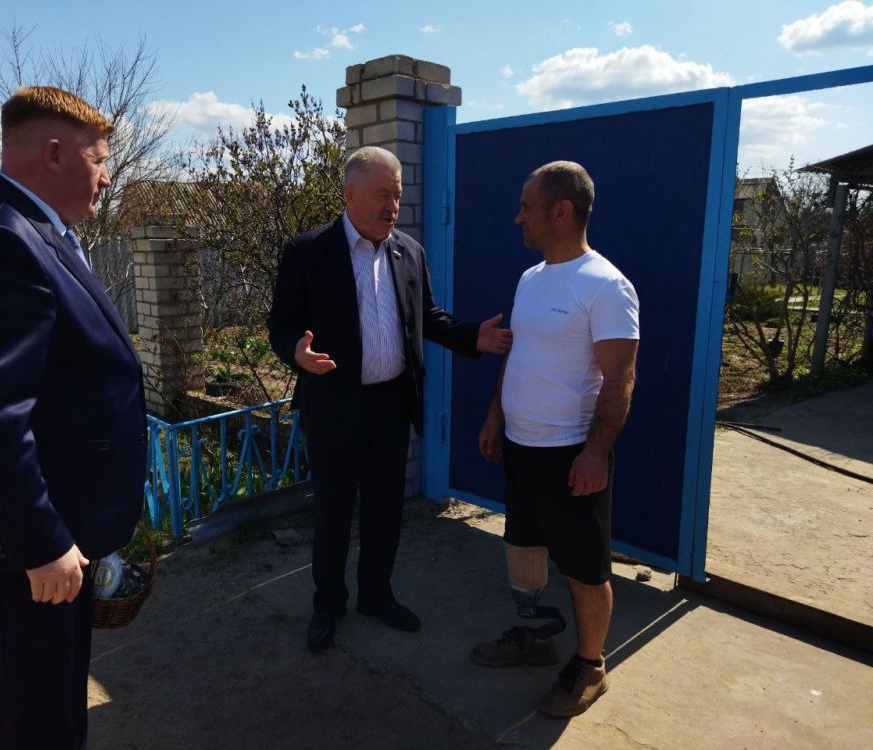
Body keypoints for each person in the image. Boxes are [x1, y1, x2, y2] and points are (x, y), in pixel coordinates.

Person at [0, 86, 147, 749]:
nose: (107, 178)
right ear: (55, 153)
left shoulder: (35, 230)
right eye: (100, 160)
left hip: (50, 528)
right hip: (14, 545)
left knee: (56, 702)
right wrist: (39, 542)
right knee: (37, 718)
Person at [268, 145, 512, 653]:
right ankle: (327, 604)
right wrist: (296, 352)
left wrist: (473, 338)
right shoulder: (308, 252)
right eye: (383, 195)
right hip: (334, 406)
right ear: (350, 193)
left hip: (391, 408)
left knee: (384, 510)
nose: (393, 206)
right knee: (333, 513)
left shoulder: (408, 252)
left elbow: (429, 317)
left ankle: (376, 595)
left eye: (397, 196)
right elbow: (282, 323)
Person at [474, 161, 639, 717]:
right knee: (524, 552)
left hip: (571, 455)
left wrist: (595, 453)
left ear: (561, 212)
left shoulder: (606, 285)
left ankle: (591, 667)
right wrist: (495, 416)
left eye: (527, 206)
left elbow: (620, 378)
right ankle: (535, 636)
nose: (518, 217)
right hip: (521, 448)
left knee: (584, 569)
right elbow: (516, 354)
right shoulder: (531, 278)